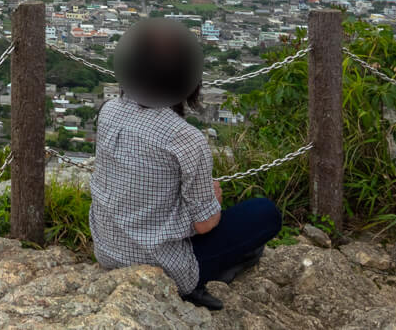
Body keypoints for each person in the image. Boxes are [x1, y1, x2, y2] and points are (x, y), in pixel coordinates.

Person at [89, 18, 282, 311]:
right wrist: (213, 200)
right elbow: (206, 224)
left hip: (106, 250)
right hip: (164, 267)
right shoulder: (185, 138)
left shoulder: (110, 112)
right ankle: (201, 280)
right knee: (264, 213)